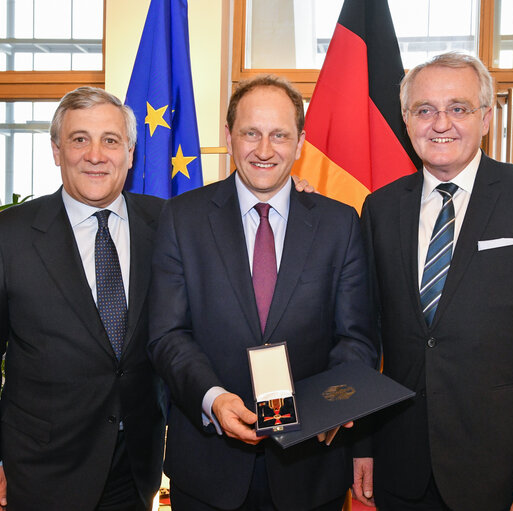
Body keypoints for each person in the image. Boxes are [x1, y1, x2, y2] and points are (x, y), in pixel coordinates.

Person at [354, 52, 513, 511]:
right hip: (402, 462)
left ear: (486, 118)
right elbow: (365, 335)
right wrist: (363, 443)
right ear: (406, 120)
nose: (441, 123)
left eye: (458, 108)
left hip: (501, 466)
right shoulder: (379, 208)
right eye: (425, 110)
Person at [147, 74, 378, 511]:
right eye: (251, 133)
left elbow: (357, 337)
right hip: (208, 465)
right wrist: (213, 400)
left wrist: (330, 404)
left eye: (279, 135)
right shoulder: (182, 219)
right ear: (230, 136)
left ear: (300, 141)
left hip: (310, 466)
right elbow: (166, 334)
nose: (265, 149)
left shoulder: (339, 223)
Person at [0, 86, 168, 511]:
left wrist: (290, 194)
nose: (95, 155)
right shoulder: (7, 237)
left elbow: (230, 229)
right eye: (79, 140)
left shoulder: (166, 224)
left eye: (110, 140)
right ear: (57, 150)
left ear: (130, 152)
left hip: (135, 464)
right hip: (41, 467)